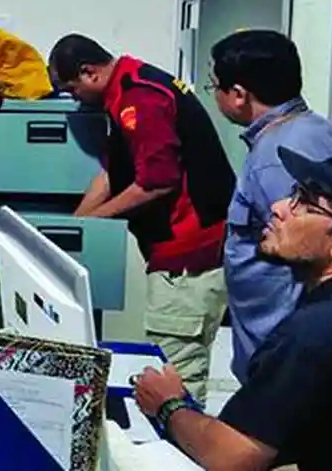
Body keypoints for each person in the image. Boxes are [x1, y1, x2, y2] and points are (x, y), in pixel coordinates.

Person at [133, 148, 332, 471]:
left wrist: (168, 404)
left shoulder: (319, 330)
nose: (277, 207)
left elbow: (232, 456)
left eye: (304, 202)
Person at [48, 35, 234, 403]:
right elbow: (111, 176)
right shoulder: (124, 89)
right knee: (166, 369)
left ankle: (180, 455)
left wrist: (95, 222)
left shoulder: (141, 98)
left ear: (89, 73)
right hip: (174, 252)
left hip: (188, 259)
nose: (74, 100)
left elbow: (155, 182)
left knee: (174, 377)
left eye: (72, 90)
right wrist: (75, 226)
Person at [208, 29, 332, 381]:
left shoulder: (277, 156)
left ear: (239, 94)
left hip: (281, 347)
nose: (213, 94)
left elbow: (311, 250)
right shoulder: (314, 130)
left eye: (214, 85)